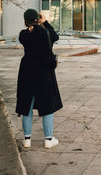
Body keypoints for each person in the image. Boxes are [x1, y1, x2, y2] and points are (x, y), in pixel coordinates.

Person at [16, 8, 63, 149]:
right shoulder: (46, 33)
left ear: (25, 21)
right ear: (38, 19)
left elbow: (28, 34)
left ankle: (27, 139)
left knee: (27, 106)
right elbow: (55, 35)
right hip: (44, 74)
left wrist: (32, 25)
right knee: (47, 105)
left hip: (27, 73)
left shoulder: (23, 35)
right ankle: (48, 139)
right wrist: (45, 22)